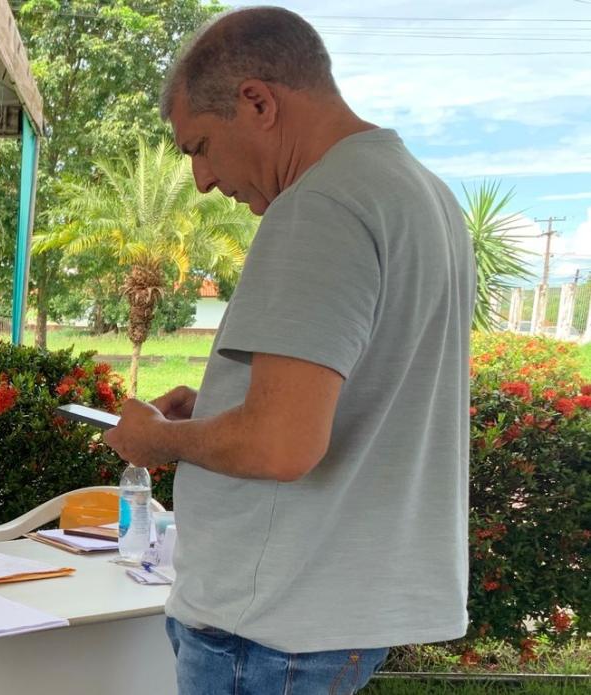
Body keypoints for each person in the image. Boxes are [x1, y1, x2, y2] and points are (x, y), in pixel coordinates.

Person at [102, 8, 472, 694]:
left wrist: (164, 439)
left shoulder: (318, 205)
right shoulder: (423, 194)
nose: (205, 179)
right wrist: (212, 411)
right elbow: (347, 396)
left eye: (200, 147)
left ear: (258, 102)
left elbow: (281, 443)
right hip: (331, 618)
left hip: (268, 630)